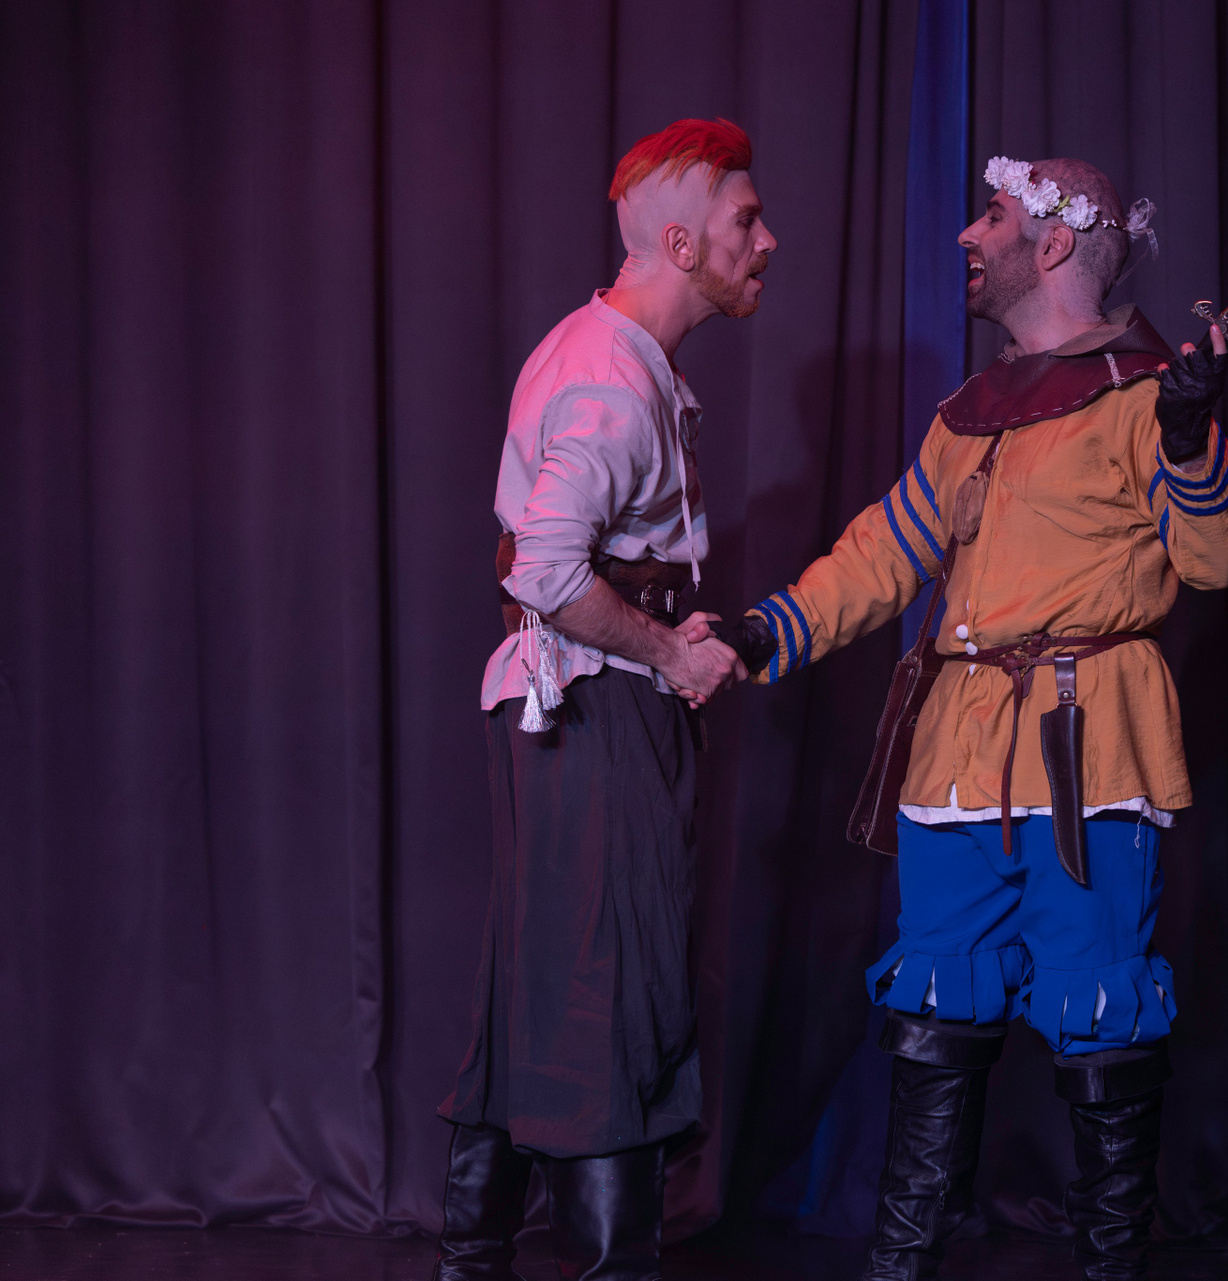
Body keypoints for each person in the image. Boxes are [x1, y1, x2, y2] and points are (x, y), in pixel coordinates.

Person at [733, 156, 1228, 1280]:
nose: (970, 236)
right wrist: (764, 632)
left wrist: (1186, 440)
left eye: (995, 216)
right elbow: (882, 554)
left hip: (1089, 760)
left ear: (1055, 244)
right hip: (958, 764)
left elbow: (1214, 559)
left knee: (1102, 1016)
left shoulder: (1144, 397)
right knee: (934, 1014)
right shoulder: (969, 418)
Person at [431, 117, 773, 1281]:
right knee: (614, 1000)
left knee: (543, 990)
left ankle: (472, 1261)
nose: (765, 241)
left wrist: (666, 626)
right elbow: (541, 567)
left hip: (574, 704)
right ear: (680, 243)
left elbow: (580, 554)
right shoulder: (612, 377)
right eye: (744, 221)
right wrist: (669, 654)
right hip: (596, 713)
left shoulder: (606, 352)